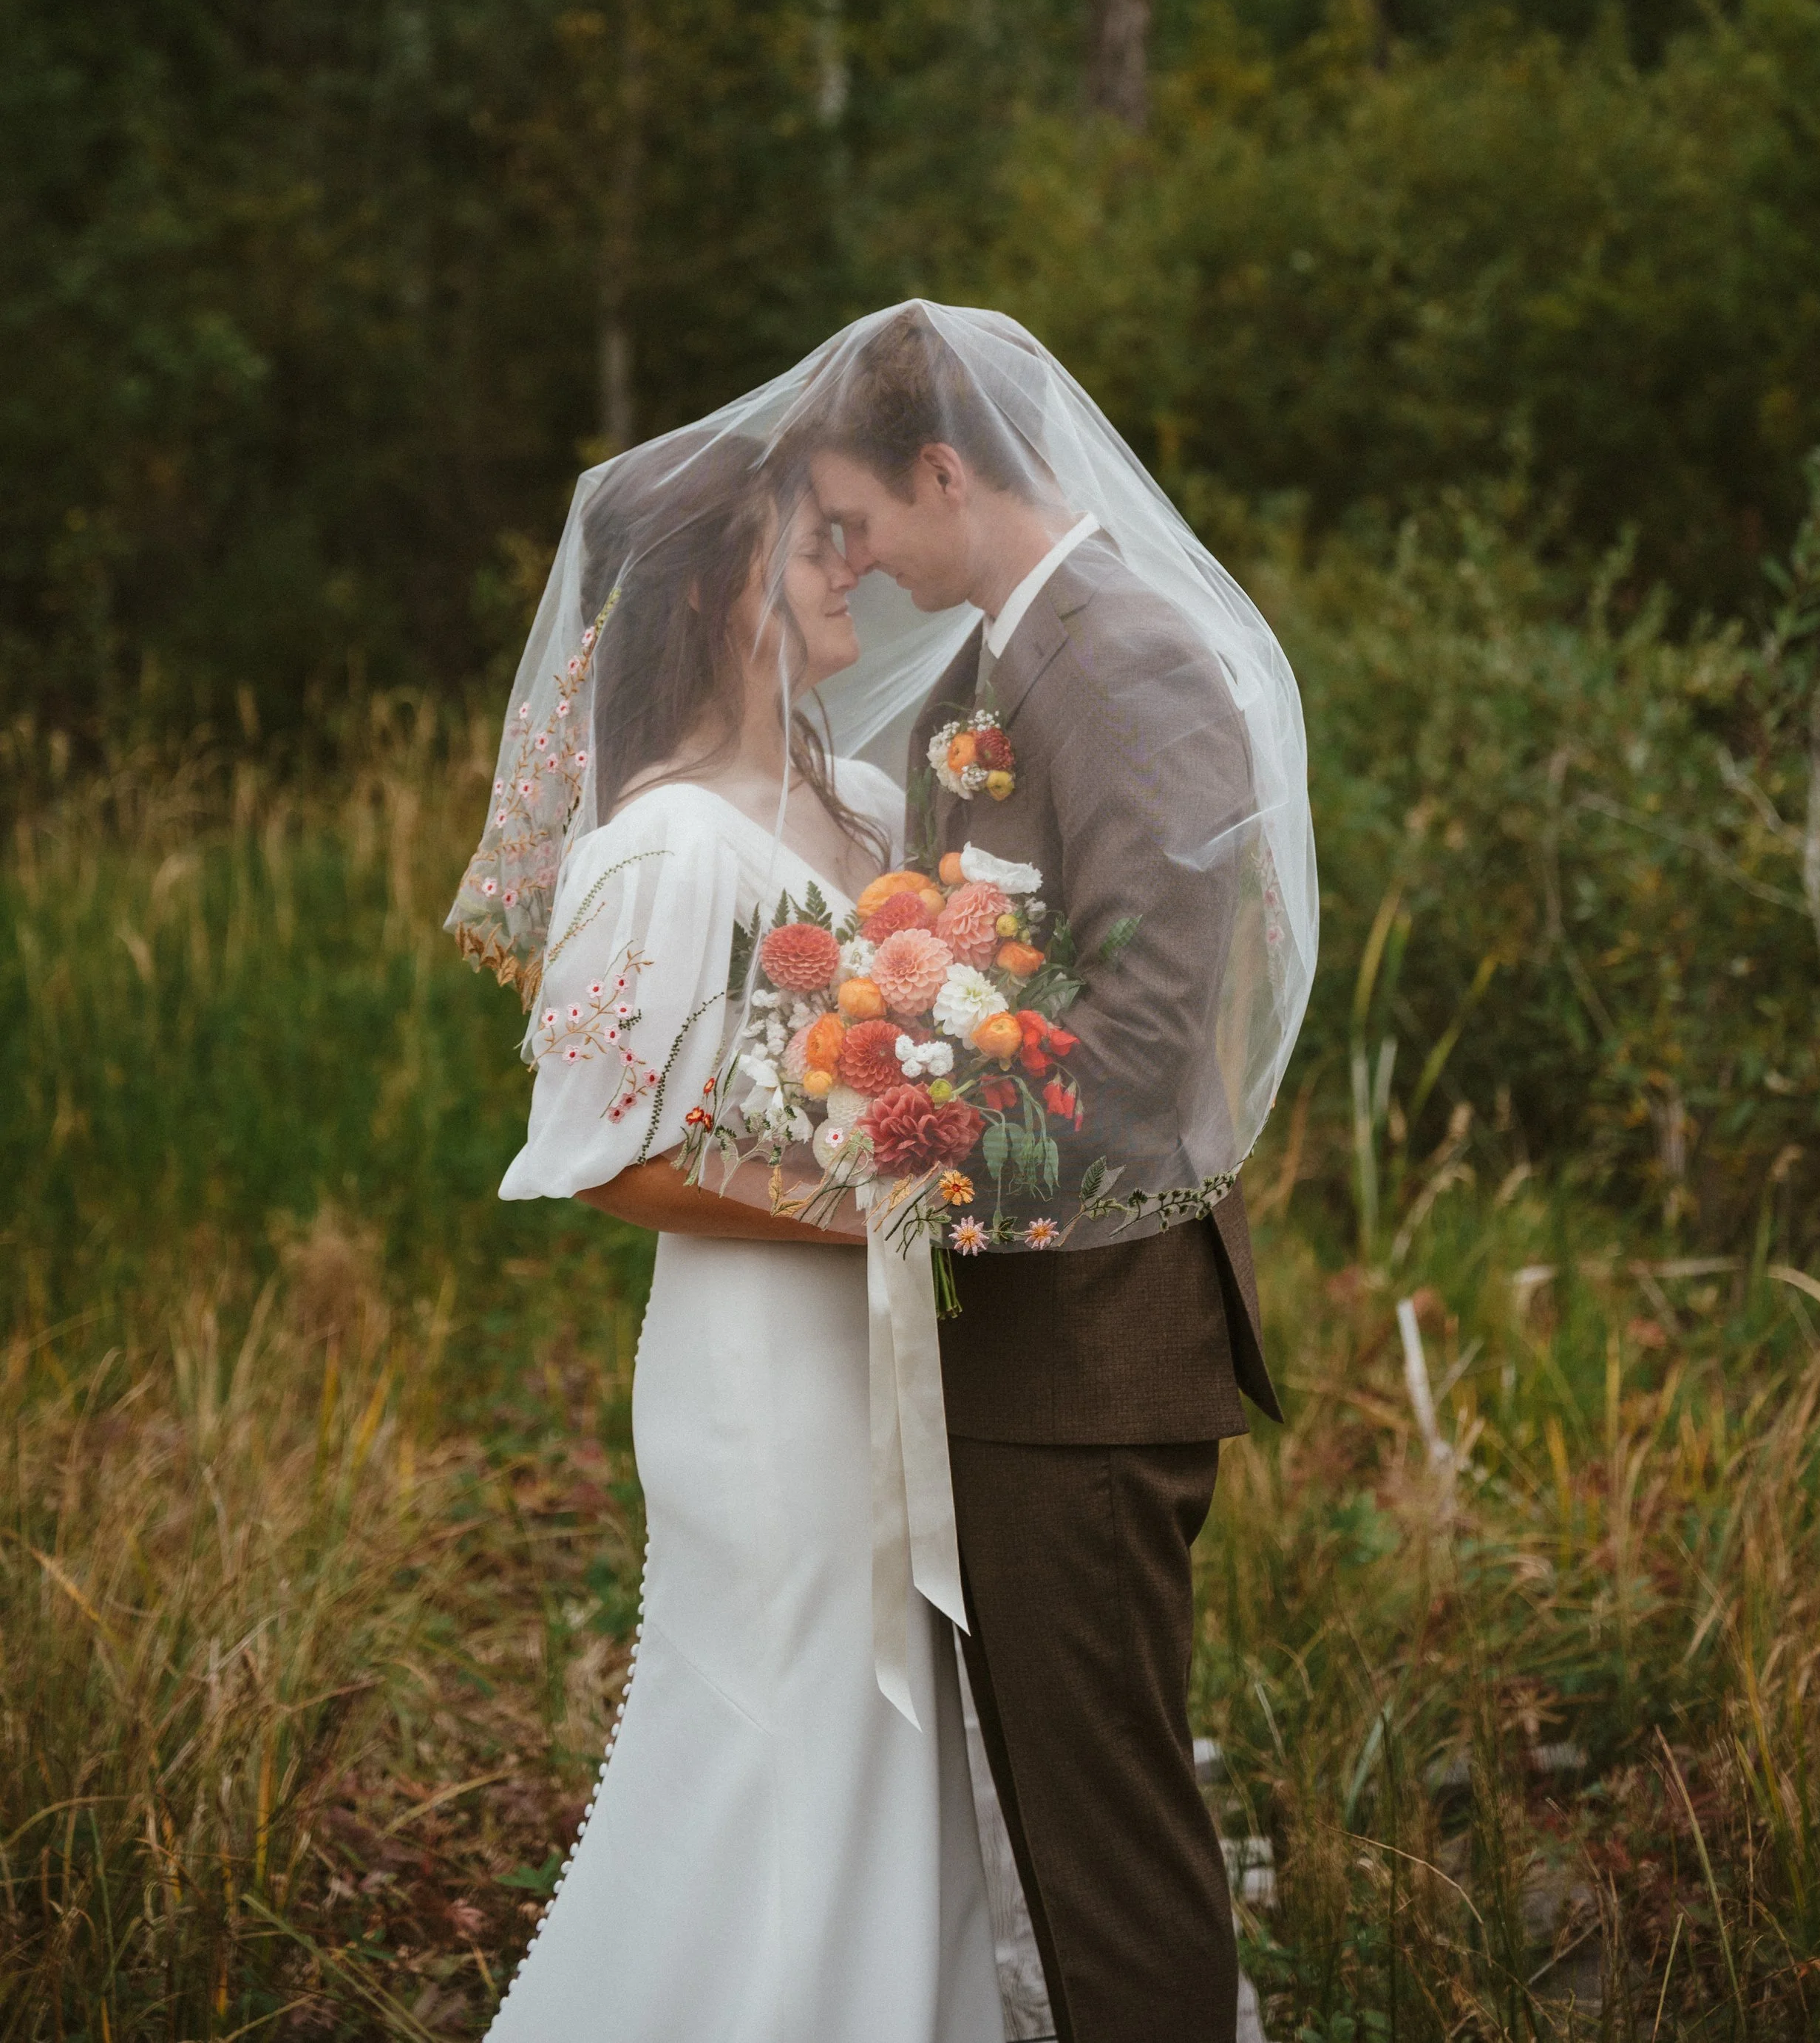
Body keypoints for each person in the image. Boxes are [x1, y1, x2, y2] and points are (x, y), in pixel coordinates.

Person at [450, 430, 1005, 2043]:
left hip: (881, 1359)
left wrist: (952, 1126)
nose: (849, 569)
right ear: (714, 587)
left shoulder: (856, 799)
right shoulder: (659, 844)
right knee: (781, 1745)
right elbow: (599, 1157)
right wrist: (880, 1209)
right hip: (761, 1386)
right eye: (815, 544)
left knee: (888, 1754)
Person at [804, 307, 1295, 2043]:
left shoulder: (1127, 654)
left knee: (1108, 1840)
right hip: (1023, 1327)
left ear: (947, 472)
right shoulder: (996, 668)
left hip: (1098, 1333)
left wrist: (908, 1135)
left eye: (859, 516)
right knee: (1049, 1821)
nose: (846, 556)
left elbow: (1150, 1023)